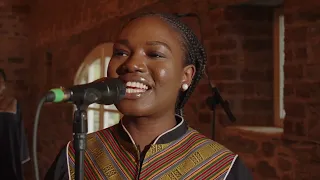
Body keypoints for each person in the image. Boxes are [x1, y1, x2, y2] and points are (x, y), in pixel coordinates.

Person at [45, 12, 253, 180]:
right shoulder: (75, 158)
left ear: (186, 76)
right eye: (121, 52)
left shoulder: (222, 168)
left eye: (155, 54)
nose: (131, 64)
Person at [0, 68, 30, 180]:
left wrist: (20, 155)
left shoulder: (12, 102)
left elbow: (19, 129)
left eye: (0, 81)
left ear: (4, 85)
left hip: (10, 152)